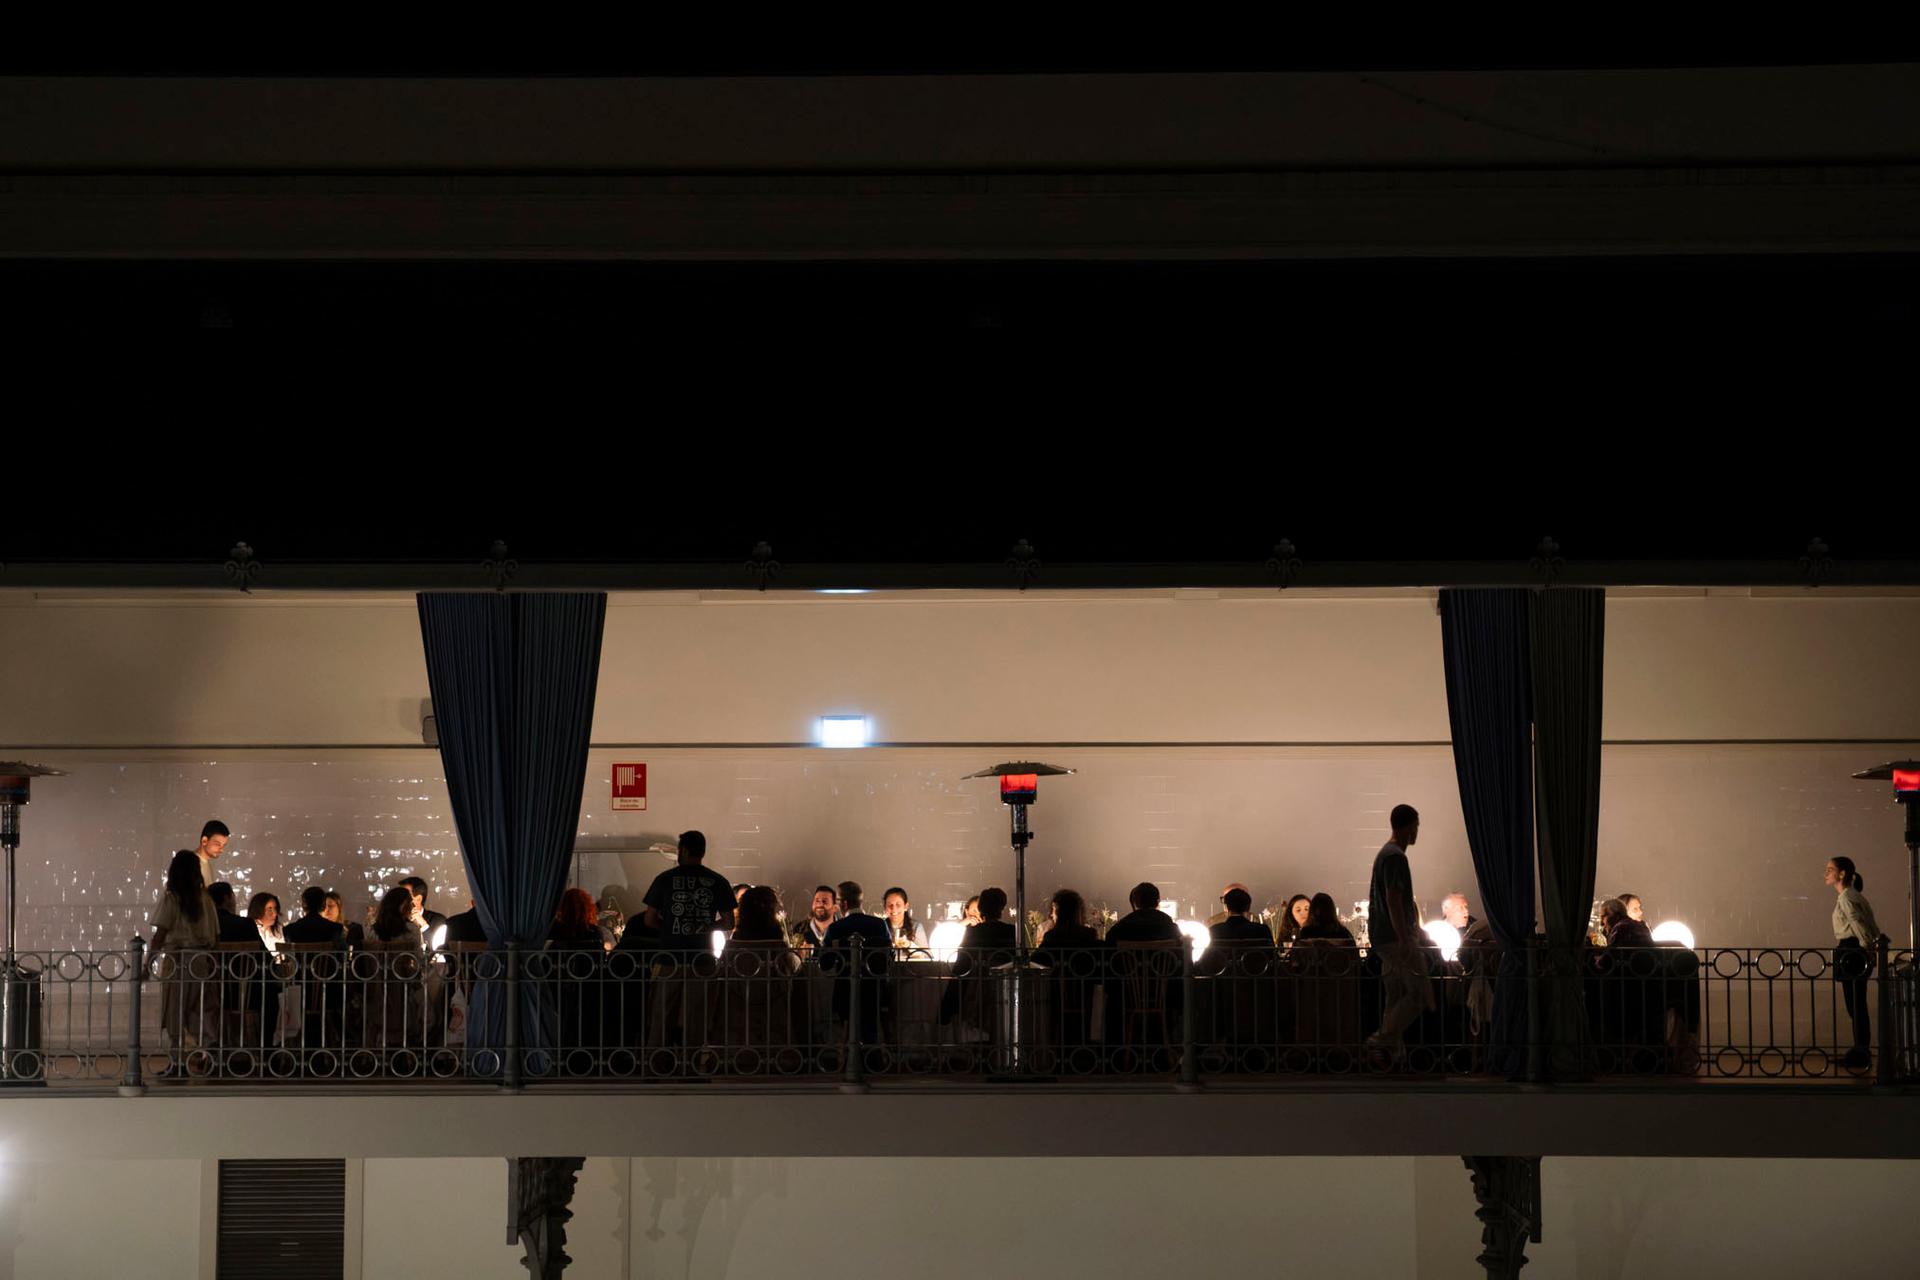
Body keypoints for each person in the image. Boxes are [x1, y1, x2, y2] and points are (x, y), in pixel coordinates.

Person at [640, 831, 738, 1048]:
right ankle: (693, 1066)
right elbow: (730, 922)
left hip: (669, 958)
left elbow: (649, 920)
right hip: (702, 959)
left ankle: (657, 1065)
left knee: (662, 1015)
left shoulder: (664, 879)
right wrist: (704, 927)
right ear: (703, 852)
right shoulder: (717, 881)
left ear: (682, 850)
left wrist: (669, 929)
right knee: (697, 1017)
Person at [1365, 804, 1433, 1068]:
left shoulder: (1386, 854)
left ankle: (1392, 1056)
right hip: (1394, 938)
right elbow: (1394, 899)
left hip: (1383, 936)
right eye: (1416, 825)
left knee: (1394, 995)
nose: (1417, 831)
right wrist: (1405, 937)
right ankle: (1381, 1041)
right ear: (1408, 826)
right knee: (1418, 993)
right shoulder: (1395, 856)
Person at [150, 849, 219, 1061]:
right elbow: (215, 936)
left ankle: (179, 1058)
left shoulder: (172, 898)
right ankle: (206, 1051)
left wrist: (148, 962)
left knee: (175, 1008)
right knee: (199, 1007)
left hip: (178, 958)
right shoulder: (206, 900)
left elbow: (160, 933)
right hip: (200, 959)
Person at [1826, 856, 1883, 1071]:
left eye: (1830, 869)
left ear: (1842, 874)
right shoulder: (1855, 895)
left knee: (1855, 1005)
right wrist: (1872, 946)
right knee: (1857, 1004)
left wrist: (1868, 946)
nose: (1826, 873)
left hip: (1851, 949)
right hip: (1856, 949)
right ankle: (1861, 1050)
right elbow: (1868, 922)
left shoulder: (1846, 898)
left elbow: (1857, 922)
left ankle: (1860, 1052)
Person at [1034, 888, 1106, 1052]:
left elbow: (1038, 961)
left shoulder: (1051, 937)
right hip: (1084, 991)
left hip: (1057, 993)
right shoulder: (1089, 935)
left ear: (1057, 912)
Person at [822, 881, 891, 1045]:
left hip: (845, 991)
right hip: (875, 990)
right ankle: (873, 1059)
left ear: (844, 903)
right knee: (871, 1031)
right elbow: (889, 955)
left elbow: (825, 963)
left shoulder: (835, 928)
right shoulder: (880, 925)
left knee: (845, 1031)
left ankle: (846, 1060)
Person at [1106, 882, 1181, 944]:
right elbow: (1180, 945)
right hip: (1161, 961)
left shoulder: (1125, 924)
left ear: (1136, 901)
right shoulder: (1167, 923)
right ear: (1157, 901)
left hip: (1132, 962)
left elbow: (1109, 939)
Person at [790, 885, 837, 955]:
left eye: (825, 901)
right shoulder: (800, 929)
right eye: (817, 900)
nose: (820, 904)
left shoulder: (843, 930)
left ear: (835, 907)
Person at [881, 887, 925, 954]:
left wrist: (909, 945)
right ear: (885, 907)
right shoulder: (880, 927)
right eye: (890, 905)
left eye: (898, 905)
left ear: (906, 907)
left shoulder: (916, 927)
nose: (893, 908)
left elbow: (926, 955)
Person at [194, 820, 230, 887]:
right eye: (217, 844)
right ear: (204, 841)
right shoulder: (190, 865)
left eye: (223, 845)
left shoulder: (206, 863)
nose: (221, 850)